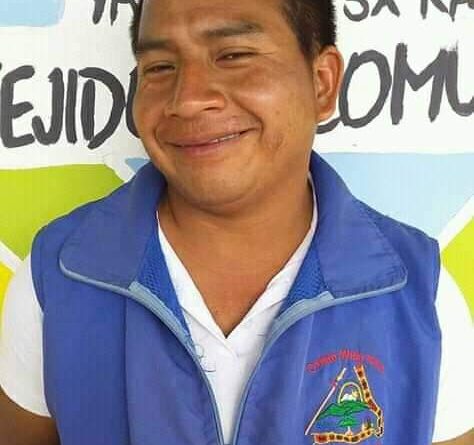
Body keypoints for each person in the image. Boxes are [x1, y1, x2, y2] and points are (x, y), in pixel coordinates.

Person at [0, 0, 473, 444]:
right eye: (160, 67)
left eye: (233, 55)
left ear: (322, 82)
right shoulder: (59, 278)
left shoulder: (417, 295)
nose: (188, 100)